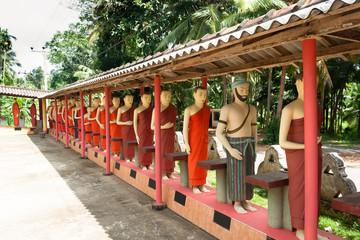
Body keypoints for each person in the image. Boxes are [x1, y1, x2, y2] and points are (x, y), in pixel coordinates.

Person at [279, 72, 326, 240]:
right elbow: (282, 142)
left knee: (314, 189)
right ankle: (300, 228)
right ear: (298, 84)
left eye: (316, 83)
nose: (313, 85)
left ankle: (312, 226)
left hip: (315, 154)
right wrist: (306, 146)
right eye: (308, 82)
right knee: (299, 189)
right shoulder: (290, 108)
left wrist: (316, 143)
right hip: (297, 156)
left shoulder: (318, 107)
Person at [216, 74, 257, 214]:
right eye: (241, 89)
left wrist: (255, 148)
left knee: (248, 173)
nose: (245, 92)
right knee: (236, 174)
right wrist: (230, 150)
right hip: (234, 145)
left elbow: (254, 131)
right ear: (234, 91)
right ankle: (237, 202)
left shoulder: (252, 109)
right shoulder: (227, 108)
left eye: (246, 89)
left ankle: (245, 200)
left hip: (249, 146)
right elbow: (219, 133)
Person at [183, 86, 210, 194]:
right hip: (193, 139)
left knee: (203, 161)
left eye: (204, 94)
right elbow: (185, 128)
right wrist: (186, 144)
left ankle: (202, 183)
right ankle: (194, 185)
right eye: (200, 94)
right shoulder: (189, 109)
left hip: (204, 139)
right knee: (193, 161)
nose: (203, 97)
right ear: (194, 95)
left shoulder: (207, 109)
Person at [151, 89, 177, 180]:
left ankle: (169, 171)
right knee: (162, 153)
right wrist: (164, 127)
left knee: (170, 152)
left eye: (169, 96)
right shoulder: (156, 109)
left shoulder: (173, 108)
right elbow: (152, 126)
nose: (167, 98)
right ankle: (163, 172)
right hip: (161, 135)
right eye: (165, 95)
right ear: (160, 97)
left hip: (170, 135)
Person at [134, 92, 154, 170]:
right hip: (141, 130)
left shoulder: (153, 109)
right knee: (142, 146)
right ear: (141, 98)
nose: (148, 100)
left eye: (149, 98)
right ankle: (143, 164)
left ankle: (148, 163)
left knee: (149, 146)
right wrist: (136, 134)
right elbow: (135, 124)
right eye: (145, 98)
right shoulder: (137, 110)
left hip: (150, 130)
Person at [116, 94, 136, 162]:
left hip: (133, 128)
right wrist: (125, 123)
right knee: (126, 142)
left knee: (133, 141)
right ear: (124, 100)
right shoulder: (121, 109)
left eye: (131, 99)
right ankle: (127, 157)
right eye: (128, 99)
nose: (130, 101)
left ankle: (132, 156)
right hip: (125, 128)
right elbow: (118, 122)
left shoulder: (135, 108)